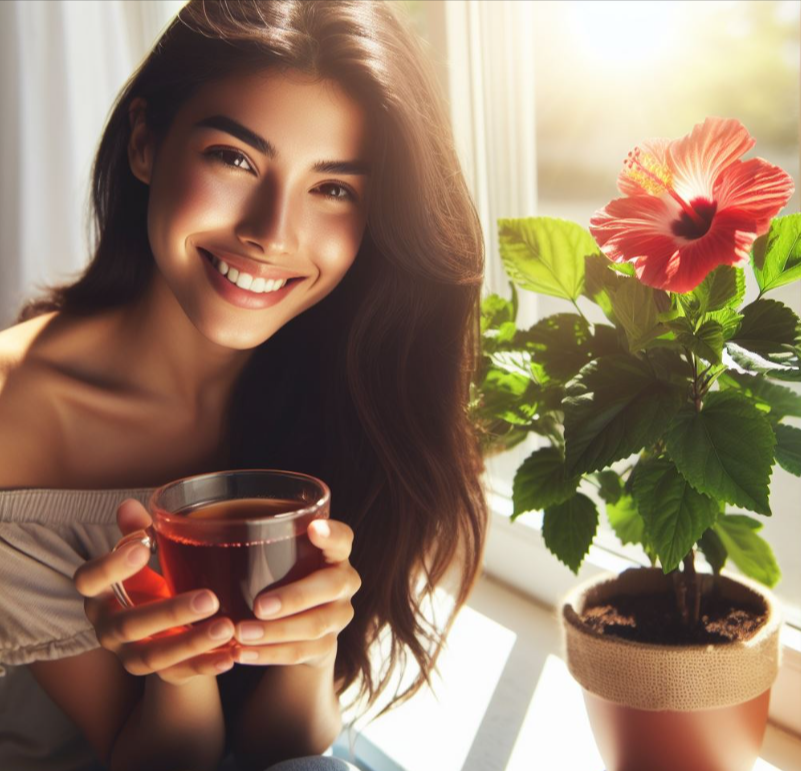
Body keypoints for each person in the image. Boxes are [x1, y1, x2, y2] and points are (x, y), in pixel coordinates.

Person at [0, 1, 488, 770]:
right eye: (235, 159)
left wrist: (311, 639)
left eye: (333, 189)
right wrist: (177, 667)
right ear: (145, 143)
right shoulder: (15, 421)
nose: (273, 233)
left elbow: (285, 748)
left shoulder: (350, 390)